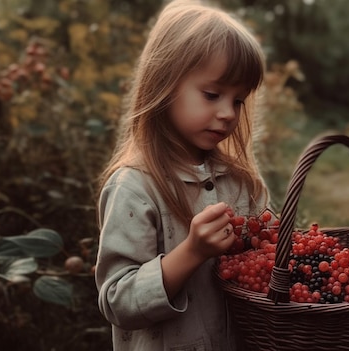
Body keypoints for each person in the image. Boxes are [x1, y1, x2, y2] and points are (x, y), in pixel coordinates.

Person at [94, 1, 269, 350]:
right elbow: (117, 300)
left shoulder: (238, 180)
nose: (227, 114)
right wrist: (191, 251)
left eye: (238, 101)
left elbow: (264, 261)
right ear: (165, 84)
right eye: (212, 95)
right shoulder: (136, 186)